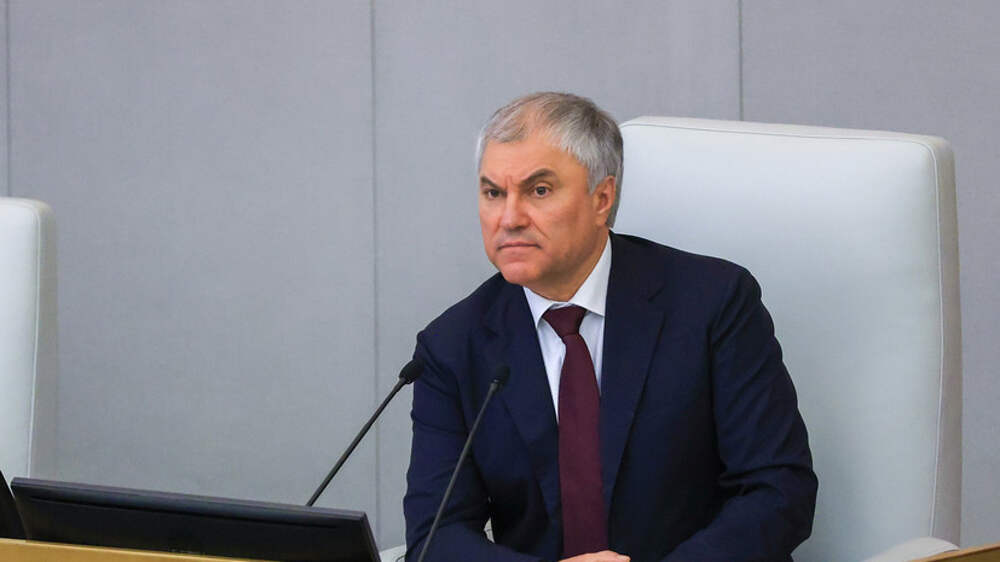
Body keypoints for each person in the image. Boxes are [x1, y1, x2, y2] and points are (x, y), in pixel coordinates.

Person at [403, 92, 817, 562]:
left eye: (539, 190)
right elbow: (436, 537)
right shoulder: (453, 346)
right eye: (493, 193)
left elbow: (779, 490)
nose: (509, 218)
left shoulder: (712, 304)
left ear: (602, 198)